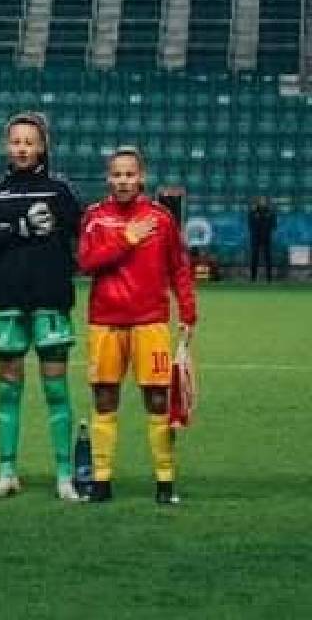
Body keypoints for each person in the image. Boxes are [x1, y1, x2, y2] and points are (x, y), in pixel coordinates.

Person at [0, 113, 83, 502]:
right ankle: (6, 472)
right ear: (6, 146)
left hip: (50, 301)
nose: (22, 148)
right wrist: (17, 228)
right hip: (6, 303)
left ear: (43, 147)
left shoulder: (60, 193)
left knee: (56, 390)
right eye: (16, 141)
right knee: (8, 392)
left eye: (30, 142)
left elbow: (83, 237)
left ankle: (65, 475)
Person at [78, 148, 198, 505]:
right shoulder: (95, 218)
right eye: (117, 175)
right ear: (108, 178)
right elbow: (86, 262)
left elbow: (179, 267)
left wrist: (188, 313)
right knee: (104, 398)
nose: (123, 181)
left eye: (130, 175)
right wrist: (126, 238)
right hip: (106, 322)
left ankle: (165, 481)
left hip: (150, 322)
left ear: (141, 177)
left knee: (158, 400)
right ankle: (101, 481)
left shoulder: (161, 218)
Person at [248, 196, 276, 282]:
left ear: (266, 202)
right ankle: (253, 278)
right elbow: (250, 225)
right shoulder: (252, 213)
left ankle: (269, 278)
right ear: (258, 202)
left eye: (264, 201)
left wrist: (267, 231)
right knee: (254, 258)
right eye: (261, 201)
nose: (262, 202)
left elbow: (273, 225)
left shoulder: (270, 213)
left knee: (268, 259)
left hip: (266, 238)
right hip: (255, 238)